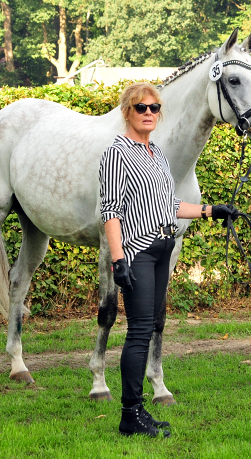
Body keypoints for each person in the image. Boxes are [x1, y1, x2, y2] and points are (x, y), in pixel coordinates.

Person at [99, 82, 237, 437]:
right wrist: (119, 261)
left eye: (154, 108)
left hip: (162, 248)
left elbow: (170, 205)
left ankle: (138, 411)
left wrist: (210, 210)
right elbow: (110, 211)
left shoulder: (156, 154)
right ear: (127, 112)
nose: (149, 114)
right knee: (140, 331)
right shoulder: (117, 153)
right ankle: (130, 415)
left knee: (151, 326)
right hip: (138, 252)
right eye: (141, 108)